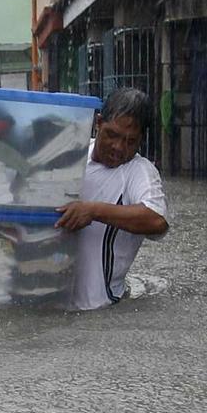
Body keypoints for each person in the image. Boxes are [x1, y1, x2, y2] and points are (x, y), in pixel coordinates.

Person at [55, 87, 169, 311]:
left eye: (130, 141)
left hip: (97, 310)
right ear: (98, 123)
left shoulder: (139, 172)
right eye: (112, 135)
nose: (118, 147)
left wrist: (93, 211)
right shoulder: (74, 152)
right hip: (49, 302)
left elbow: (157, 221)